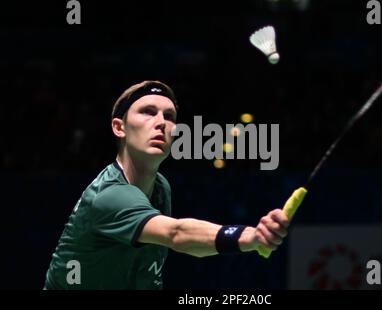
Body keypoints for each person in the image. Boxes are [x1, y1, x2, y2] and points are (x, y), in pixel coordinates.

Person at [44, 80, 290, 289]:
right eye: (148, 112)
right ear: (119, 128)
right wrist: (250, 236)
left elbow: (187, 247)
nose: (161, 122)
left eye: (169, 116)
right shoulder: (109, 196)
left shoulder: (160, 187)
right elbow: (177, 234)